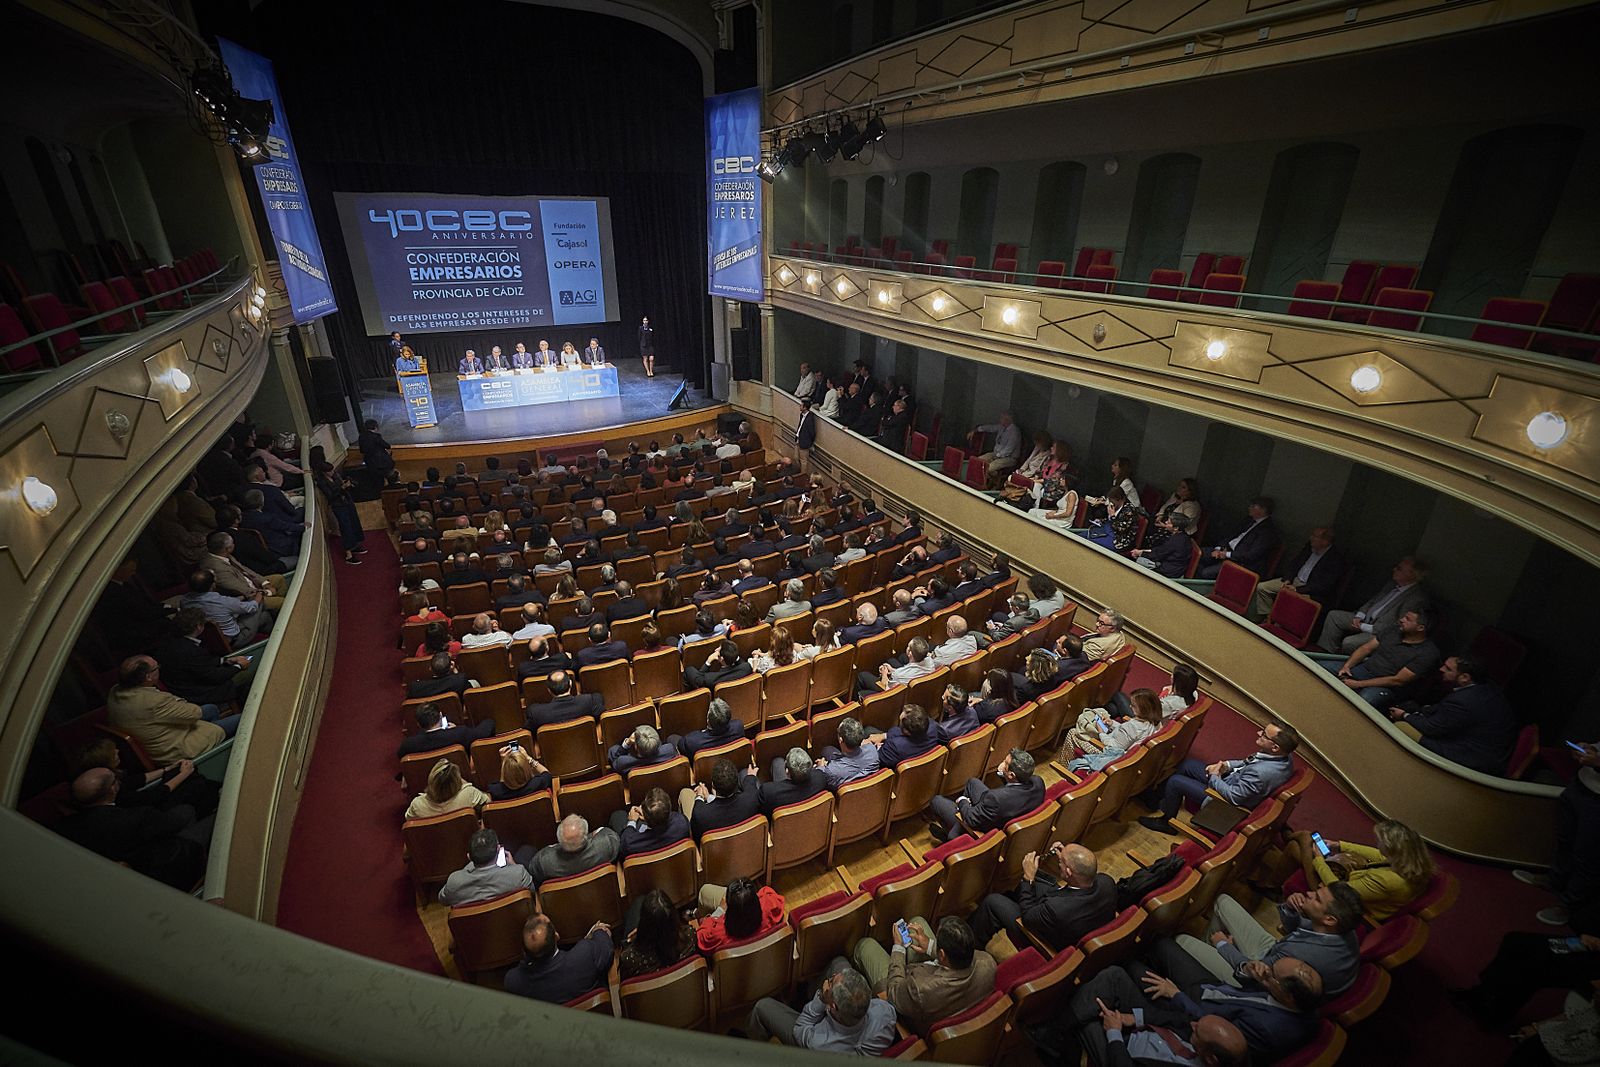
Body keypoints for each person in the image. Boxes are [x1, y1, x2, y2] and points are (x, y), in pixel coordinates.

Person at [1054, 951, 1298, 1066]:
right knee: (1115, 976)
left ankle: (1054, 1036)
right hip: (1145, 1027)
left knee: (1088, 1017)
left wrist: (1114, 1032)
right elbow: (1172, 1019)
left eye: (1196, 1031)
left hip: (1122, 1054)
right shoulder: (1204, 1033)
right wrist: (1133, 1018)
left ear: (1211, 1058)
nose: (1192, 1022)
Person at [1177, 882, 1363, 997]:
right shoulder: (1344, 929)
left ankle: (1203, 955)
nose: (1309, 893)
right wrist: (1291, 908)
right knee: (1222, 901)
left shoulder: (1299, 955)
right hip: (1274, 952)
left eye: (1317, 899)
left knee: (1181, 940)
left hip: (1257, 986)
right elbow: (1295, 931)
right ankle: (1206, 950)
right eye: (1317, 891)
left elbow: (1251, 974)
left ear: (1330, 919)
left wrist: (1224, 945)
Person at [56, 767, 211, 889]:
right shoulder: (136, 818)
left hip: (126, 875)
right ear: (113, 789)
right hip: (165, 866)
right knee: (195, 814)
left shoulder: (63, 828)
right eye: (115, 779)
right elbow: (171, 823)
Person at [849, 914, 995, 1036]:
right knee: (918, 921)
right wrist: (931, 946)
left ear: (942, 955)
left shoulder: (920, 989)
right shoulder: (988, 962)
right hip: (946, 998)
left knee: (865, 946)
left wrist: (898, 947)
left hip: (909, 1003)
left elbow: (894, 991)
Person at [1140, 722, 1299, 833]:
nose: (1259, 733)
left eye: (1264, 735)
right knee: (1187, 764)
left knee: (1176, 782)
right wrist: (1225, 765)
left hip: (1221, 802)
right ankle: (1157, 800)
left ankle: (1166, 822)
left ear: (1275, 747)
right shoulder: (1284, 757)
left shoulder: (1262, 773)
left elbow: (1234, 797)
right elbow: (1248, 762)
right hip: (1231, 779)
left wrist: (1216, 776)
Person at [969, 841, 1117, 953]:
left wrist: (1028, 878)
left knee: (992, 902)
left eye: (1061, 862)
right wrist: (1066, 858)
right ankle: (1009, 898)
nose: (1059, 862)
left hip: (1044, 937)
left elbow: (1027, 917)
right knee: (1024, 888)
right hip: (1075, 916)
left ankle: (970, 944)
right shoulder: (1107, 882)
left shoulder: (1056, 910)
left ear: (1069, 872)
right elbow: (1077, 875)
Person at [1280, 819, 1434, 921]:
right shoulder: (1409, 863)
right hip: (1347, 888)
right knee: (1298, 845)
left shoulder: (1389, 881)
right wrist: (1339, 845)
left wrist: (1319, 860)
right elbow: (1377, 855)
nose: (1377, 844)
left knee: (1303, 841)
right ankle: (1286, 843)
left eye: (1379, 842)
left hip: (1337, 901)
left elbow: (1339, 890)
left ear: (1391, 850)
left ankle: (1284, 843)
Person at [1389, 654, 1517, 775]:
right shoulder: (1485, 687)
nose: (1441, 669)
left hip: (1470, 756)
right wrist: (1423, 710)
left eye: (1448, 669)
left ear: (1465, 677)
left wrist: (1404, 715)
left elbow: (1431, 728)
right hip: (1486, 748)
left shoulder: (1463, 700)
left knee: (1402, 727)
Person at [107, 655, 236, 763]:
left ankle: (219, 743)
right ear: (148, 677)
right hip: (179, 749)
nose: (159, 670)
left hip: (161, 735)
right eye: (156, 668)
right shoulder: (154, 701)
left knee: (211, 709)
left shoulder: (115, 690)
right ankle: (219, 751)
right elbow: (194, 712)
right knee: (248, 718)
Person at [745, 961, 896, 1054]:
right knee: (839, 962)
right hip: (845, 1024)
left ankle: (751, 1046)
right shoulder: (886, 1012)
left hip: (814, 1039)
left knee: (762, 1007)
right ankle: (806, 992)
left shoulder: (819, 1043)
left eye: (830, 982)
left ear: (833, 1006)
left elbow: (800, 1029)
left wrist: (821, 999)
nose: (831, 978)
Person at [1317, 555, 1429, 653]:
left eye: (1399, 569)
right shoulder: (1392, 584)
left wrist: (1364, 627)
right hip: (1365, 620)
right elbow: (1373, 601)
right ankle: (1325, 652)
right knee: (1334, 616)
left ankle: (1339, 665)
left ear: (1412, 575)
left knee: (1349, 643)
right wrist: (1360, 615)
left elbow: (1398, 626)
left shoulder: (1415, 598)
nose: (1394, 569)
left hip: (1379, 631)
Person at [1332, 607, 1440, 709]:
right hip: (1364, 669)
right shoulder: (1393, 630)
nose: (1402, 620)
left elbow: (1397, 680)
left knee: (1364, 701)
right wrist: (1347, 666)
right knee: (1322, 668)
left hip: (1386, 686)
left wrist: (1358, 684)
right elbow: (1366, 648)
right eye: (1404, 616)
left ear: (1420, 628)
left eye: (1408, 619)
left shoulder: (1428, 653)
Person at [930, 748, 1043, 842]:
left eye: (1005, 763)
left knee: (936, 801)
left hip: (987, 826)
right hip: (1002, 811)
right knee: (972, 783)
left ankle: (953, 838)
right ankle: (957, 832)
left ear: (1012, 774)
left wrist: (962, 800)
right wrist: (1003, 774)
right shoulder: (1038, 782)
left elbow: (970, 818)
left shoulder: (995, 798)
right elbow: (1017, 788)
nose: (1002, 763)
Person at [154, 607, 254, 706]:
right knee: (249, 674)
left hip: (180, 686)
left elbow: (200, 664)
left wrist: (224, 660)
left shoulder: (168, 642)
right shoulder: (191, 651)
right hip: (197, 693)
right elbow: (215, 677)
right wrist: (239, 666)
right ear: (199, 627)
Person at [503, 913, 613, 1004]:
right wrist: (598, 931)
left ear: (523, 951)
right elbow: (606, 950)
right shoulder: (585, 954)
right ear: (556, 936)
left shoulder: (514, 982)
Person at [1251, 525, 1345, 619]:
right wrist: (1288, 579)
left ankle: (1279, 623)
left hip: (1311, 591)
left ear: (1325, 541)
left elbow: (1323, 585)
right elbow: (1294, 564)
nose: (1311, 538)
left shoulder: (1335, 559)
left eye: (1315, 536)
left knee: (1290, 598)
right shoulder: (1309, 547)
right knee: (1262, 588)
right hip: (1294, 581)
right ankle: (1268, 618)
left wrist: (1297, 590)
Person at [1065, 688, 1164, 772]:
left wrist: (1101, 732)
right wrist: (1112, 723)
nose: (1130, 706)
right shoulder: (1154, 722)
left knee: (1073, 733)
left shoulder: (1133, 727)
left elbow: (1113, 747)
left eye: (1133, 705)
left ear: (1144, 709)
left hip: (1111, 756)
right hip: (1127, 754)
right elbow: (1127, 734)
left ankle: (1067, 769)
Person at [438, 828, 533, 906]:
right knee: (527, 851)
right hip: (511, 922)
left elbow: (443, 900)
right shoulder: (518, 874)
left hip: (476, 927)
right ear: (498, 850)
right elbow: (531, 892)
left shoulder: (454, 882)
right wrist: (514, 866)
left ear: (469, 857)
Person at [619, 889, 697, 980]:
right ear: (675, 917)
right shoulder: (690, 936)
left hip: (649, 993)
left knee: (638, 901)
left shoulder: (629, 959)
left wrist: (629, 942)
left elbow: (626, 986)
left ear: (643, 924)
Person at [698, 875, 787, 953]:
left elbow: (700, 937)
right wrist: (746, 899)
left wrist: (720, 910)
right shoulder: (770, 905)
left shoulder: (716, 935)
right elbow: (768, 892)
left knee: (704, 891)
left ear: (729, 909)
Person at [526, 814, 620, 884]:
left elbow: (533, 871)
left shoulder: (545, 862)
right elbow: (611, 835)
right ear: (586, 835)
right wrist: (592, 835)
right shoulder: (605, 845)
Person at [682, 757, 761, 837]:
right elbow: (751, 787)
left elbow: (696, 835)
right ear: (737, 784)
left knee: (685, 792)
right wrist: (708, 797)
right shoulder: (752, 798)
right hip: (746, 841)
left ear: (713, 786)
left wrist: (699, 796)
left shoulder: (701, 814)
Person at [611, 787, 692, 858]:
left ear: (643, 818)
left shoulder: (630, 843)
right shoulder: (682, 823)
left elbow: (625, 841)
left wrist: (632, 821)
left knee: (617, 815)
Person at [404, 759, 489, 820]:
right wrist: (465, 785)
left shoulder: (417, 805)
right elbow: (488, 801)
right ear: (457, 781)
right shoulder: (469, 793)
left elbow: (409, 819)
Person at [815, 717, 882, 789]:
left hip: (844, 786)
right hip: (867, 789)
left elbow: (821, 776)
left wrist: (820, 767)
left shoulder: (832, 771)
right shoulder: (872, 750)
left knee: (827, 750)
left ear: (841, 740)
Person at [524, 670, 603, 731]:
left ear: (549, 691)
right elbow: (600, 708)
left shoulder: (537, 713)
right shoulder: (589, 701)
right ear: (571, 684)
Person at [761, 747, 830, 814]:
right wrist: (821, 767)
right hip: (813, 818)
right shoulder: (821, 778)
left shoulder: (769, 792)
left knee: (777, 761)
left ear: (787, 771)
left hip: (786, 822)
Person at [876, 704, 944, 770]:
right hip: (925, 767)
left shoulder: (895, 746)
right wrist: (885, 735)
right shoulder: (933, 727)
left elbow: (879, 759)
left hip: (894, 770)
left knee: (868, 730)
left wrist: (877, 747)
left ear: (907, 732)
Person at [1130, 511, 1195, 577]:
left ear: (1176, 528)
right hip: (1173, 566)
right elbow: (1160, 550)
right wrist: (1141, 551)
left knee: (1140, 560)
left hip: (1169, 571)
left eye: (1169, 522)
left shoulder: (1175, 541)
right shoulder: (1183, 536)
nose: (1166, 522)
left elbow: (1157, 555)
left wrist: (1140, 553)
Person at [486, 743, 551, 801]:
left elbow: (501, 785)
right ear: (526, 770)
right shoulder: (538, 784)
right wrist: (528, 758)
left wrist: (504, 762)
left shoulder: (495, 792)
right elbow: (546, 773)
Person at [607, 724, 679, 776]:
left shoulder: (623, 762)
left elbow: (613, 756)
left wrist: (627, 743)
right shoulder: (669, 751)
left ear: (636, 747)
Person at [974, 412, 1022, 482]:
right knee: (977, 461)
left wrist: (996, 457)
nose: (1000, 419)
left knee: (989, 468)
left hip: (1009, 458)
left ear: (1007, 420)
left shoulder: (1014, 432)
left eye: (1001, 418)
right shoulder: (1002, 427)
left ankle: (989, 483)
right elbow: (991, 428)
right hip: (996, 454)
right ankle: (990, 477)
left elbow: (1008, 450)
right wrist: (976, 429)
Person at [795, 395, 817, 472]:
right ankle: (798, 472)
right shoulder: (801, 415)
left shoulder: (810, 418)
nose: (799, 406)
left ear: (805, 407)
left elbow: (812, 433)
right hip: (798, 439)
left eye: (801, 405)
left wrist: (809, 443)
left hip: (804, 442)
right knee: (796, 458)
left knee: (803, 461)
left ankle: (802, 476)